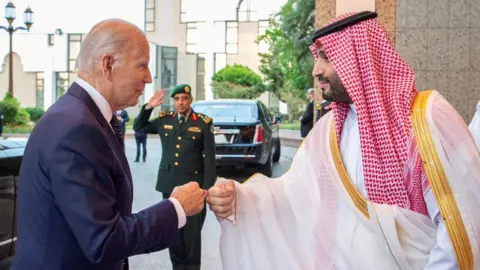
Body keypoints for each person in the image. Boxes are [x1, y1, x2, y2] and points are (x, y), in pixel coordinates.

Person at [207, 11, 480, 269]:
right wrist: (239, 199)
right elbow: (293, 196)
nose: (316, 70)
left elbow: (461, 223)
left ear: (359, 56)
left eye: (326, 57)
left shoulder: (426, 117)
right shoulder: (327, 131)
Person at [12, 19, 207, 270]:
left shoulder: (80, 115)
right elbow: (104, 240)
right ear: (108, 65)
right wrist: (176, 207)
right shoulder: (77, 128)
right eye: (142, 65)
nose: (149, 78)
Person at [133, 84, 216, 270]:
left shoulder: (203, 122)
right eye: (177, 99)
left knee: (192, 235)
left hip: (194, 187)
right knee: (175, 231)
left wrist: (206, 187)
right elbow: (139, 126)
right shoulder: (165, 120)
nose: (181, 102)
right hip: (170, 185)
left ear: (190, 100)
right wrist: (149, 106)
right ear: (173, 101)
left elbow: (210, 157)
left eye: (185, 98)